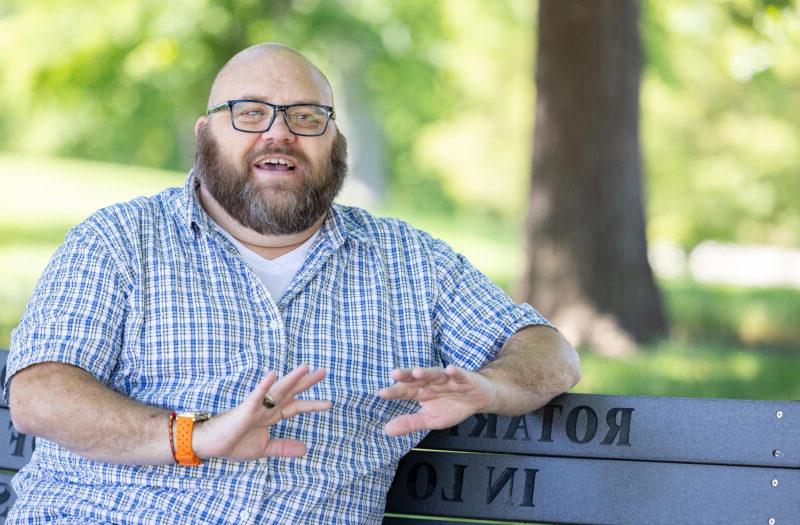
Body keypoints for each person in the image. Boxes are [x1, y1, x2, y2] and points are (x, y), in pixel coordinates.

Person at [5, 42, 580, 524]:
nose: (279, 133)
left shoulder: (412, 263)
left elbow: (547, 350)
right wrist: (194, 435)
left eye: (307, 116)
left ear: (336, 142)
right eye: (250, 113)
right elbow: (40, 395)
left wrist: (492, 388)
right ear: (206, 133)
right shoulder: (120, 240)